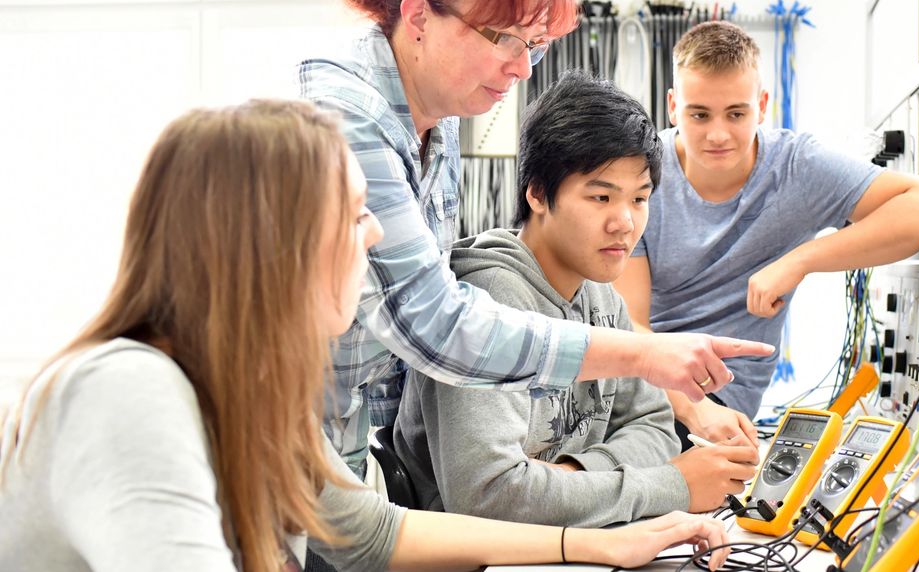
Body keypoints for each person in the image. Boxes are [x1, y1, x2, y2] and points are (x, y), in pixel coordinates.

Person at [0, 99, 731, 572]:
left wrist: (596, 542)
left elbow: (377, 531)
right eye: (354, 215)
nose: (376, 232)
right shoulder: (131, 391)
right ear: (269, 241)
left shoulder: (255, 394)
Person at [298, 0, 770, 477]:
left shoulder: (442, 115)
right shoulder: (348, 119)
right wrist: (641, 356)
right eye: (502, 38)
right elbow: (434, 326)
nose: (522, 68)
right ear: (417, 19)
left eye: (535, 48)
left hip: (348, 444)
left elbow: (651, 427)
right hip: (283, 436)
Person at [393, 73, 758, 526]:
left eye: (640, 199)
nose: (625, 223)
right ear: (538, 194)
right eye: (601, 196)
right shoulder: (488, 301)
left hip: (578, 543)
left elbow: (657, 428)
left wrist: (569, 476)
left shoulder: (603, 294)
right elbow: (488, 497)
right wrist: (673, 486)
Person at [614, 21, 919, 448]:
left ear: (762, 105)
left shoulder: (797, 167)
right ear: (672, 106)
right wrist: (692, 408)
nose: (717, 133)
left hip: (720, 402)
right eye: (699, 114)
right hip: (648, 384)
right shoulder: (643, 175)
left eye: (736, 114)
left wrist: (801, 260)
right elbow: (629, 327)